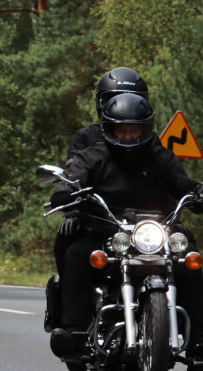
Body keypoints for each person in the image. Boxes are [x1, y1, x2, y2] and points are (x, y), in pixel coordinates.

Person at [48, 92, 203, 371]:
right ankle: (74, 334)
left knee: (189, 258)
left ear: (146, 128)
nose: (130, 136)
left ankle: (198, 341)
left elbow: (182, 183)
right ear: (109, 129)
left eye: (135, 130)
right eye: (123, 130)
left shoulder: (159, 156)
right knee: (76, 253)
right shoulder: (93, 156)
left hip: (153, 232)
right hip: (108, 232)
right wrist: (65, 191)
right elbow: (74, 178)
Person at [53, 67, 150, 276]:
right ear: (101, 103)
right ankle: (65, 305)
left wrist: (199, 192)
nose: (124, 106)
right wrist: (71, 211)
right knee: (69, 244)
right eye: (115, 99)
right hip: (100, 220)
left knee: (188, 253)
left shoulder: (151, 141)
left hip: (144, 225)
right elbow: (74, 175)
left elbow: (171, 177)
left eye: (132, 99)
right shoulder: (86, 138)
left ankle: (191, 310)